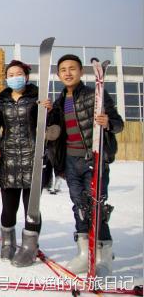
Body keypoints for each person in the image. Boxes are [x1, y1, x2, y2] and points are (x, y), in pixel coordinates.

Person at [48, 54, 124, 277]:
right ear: (59, 74)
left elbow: (118, 124)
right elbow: (56, 133)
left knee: (97, 206)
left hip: (94, 159)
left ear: (81, 72)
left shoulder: (96, 95)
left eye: (72, 68)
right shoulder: (60, 102)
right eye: (63, 69)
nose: (68, 73)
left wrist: (108, 123)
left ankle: (103, 254)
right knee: (79, 207)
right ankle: (84, 253)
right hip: (71, 162)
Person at [0, 60, 51, 267]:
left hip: (33, 159)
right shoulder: (0, 101)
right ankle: (8, 243)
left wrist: (49, 110)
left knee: (31, 208)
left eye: (19, 73)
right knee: (8, 208)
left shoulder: (38, 98)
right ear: (6, 77)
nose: (15, 76)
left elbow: (50, 127)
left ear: (26, 76)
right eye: (11, 73)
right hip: (8, 160)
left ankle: (29, 247)